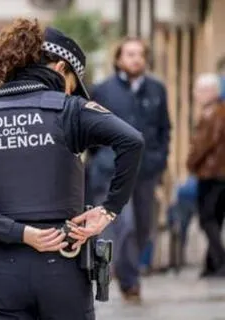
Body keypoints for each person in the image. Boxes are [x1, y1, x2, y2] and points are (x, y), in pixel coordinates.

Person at [0, 19, 144, 320]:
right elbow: (132, 141)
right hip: (63, 260)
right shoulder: (71, 109)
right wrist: (108, 210)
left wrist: (19, 232)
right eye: (72, 83)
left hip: (0, 266)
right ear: (60, 67)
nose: (70, 90)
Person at [86, 37, 170, 302]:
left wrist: (160, 158)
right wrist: (101, 158)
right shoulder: (103, 90)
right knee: (126, 226)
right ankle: (129, 279)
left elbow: (164, 128)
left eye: (140, 54)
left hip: (146, 171)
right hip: (112, 171)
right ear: (119, 58)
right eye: (130, 54)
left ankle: (128, 271)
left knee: (144, 226)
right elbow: (90, 129)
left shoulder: (156, 89)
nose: (135, 59)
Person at [187, 73, 225, 277]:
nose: (195, 94)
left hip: (213, 174)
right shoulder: (211, 112)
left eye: (199, 90)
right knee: (215, 219)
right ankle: (212, 263)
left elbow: (204, 144)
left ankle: (220, 260)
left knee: (207, 218)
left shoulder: (216, 113)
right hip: (215, 174)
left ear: (211, 92)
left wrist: (191, 162)